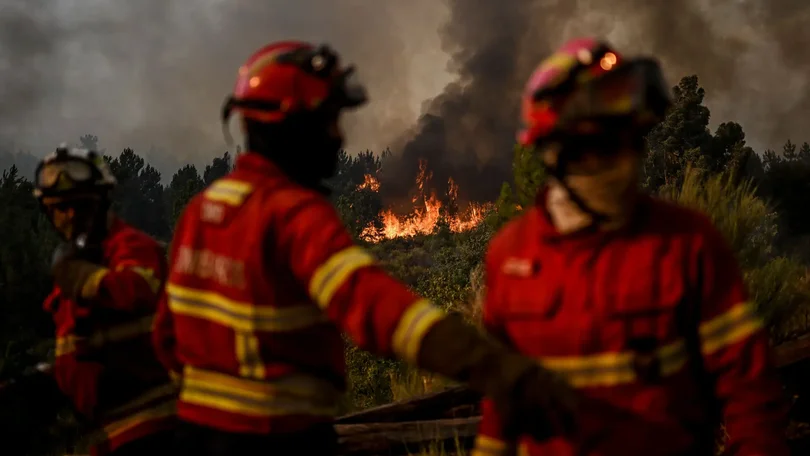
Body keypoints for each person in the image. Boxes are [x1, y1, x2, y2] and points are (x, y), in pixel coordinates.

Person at [152, 40, 576, 456]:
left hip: (194, 435)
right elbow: (374, 307)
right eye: (329, 120)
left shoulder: (201, 211)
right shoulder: (292, 215)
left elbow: (166, 338)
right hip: (277, 439)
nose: (338, 136)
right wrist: (494, 367)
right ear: (294, 127)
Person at [470, 37, 790, 456]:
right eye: (601, 147)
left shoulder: (687, 243)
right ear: (555, 154)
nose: (623, 163)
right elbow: (502, 403)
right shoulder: (510, 255)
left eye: (630, 142)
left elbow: (750, 394)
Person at [34, 145, 177, 456]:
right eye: (59, 207)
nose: (70, 216)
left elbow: (139, 287)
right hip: (106, 434)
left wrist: (85, 278)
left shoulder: (130, 246)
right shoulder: (76, 261)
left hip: (150, 429)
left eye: (80, 206)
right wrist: (48, 377)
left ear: (101, 202)